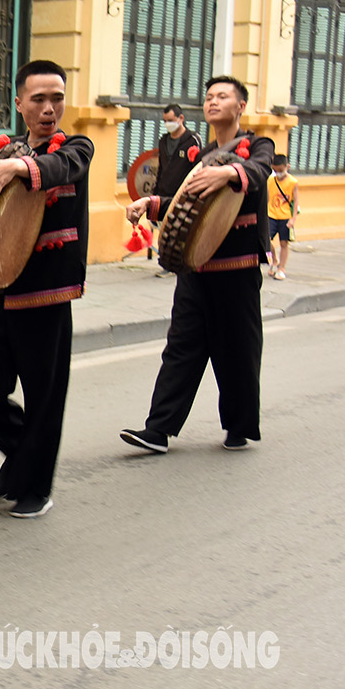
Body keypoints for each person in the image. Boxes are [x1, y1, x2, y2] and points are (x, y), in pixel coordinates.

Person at [0, 60, 93, 519]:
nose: (50, 109)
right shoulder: (2, 151)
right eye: (39, 99)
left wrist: (18, 167)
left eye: (57, 99)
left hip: (46, 292)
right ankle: (24, 454)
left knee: (44, 395)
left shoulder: (74, 148)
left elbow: (59, 166)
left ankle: (36, 486)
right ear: (19, 103)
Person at [120, 76, 274, 454]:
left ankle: (239, 426)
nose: (213, 102)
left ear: (240, 106)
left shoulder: (257, 146)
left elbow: (259, 171)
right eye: (208, 97)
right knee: (181, 347)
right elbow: (184, 198)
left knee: (236, 348)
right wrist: (152, 204)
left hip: (236, 267)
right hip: (196, 266)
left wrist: (228, 172)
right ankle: (158, 430)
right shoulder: (203, 156)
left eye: (222, 96)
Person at [151, 104, 202, 276]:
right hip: (164, 191)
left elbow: (198, 168)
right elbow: (161, 168)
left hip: (182, 193)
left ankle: (181, 262)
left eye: (171, 120)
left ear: (181, 119)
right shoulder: (164, 140)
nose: (168, 124)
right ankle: (166, 262)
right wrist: (155, 192)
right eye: (165, 121)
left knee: (180, 230)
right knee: (164, 229)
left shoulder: (192, 140)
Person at [266, 153, 298, 280]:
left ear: (287, 167)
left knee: (284, 243)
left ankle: (281, 268)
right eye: (275, 170)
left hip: (285, 216)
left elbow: (296, 202)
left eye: (280, 170)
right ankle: (274, 260)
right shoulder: (270, 181)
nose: (277, 173)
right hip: (271, 214)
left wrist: (293, 218)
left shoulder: (293, 182)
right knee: (266, 240)